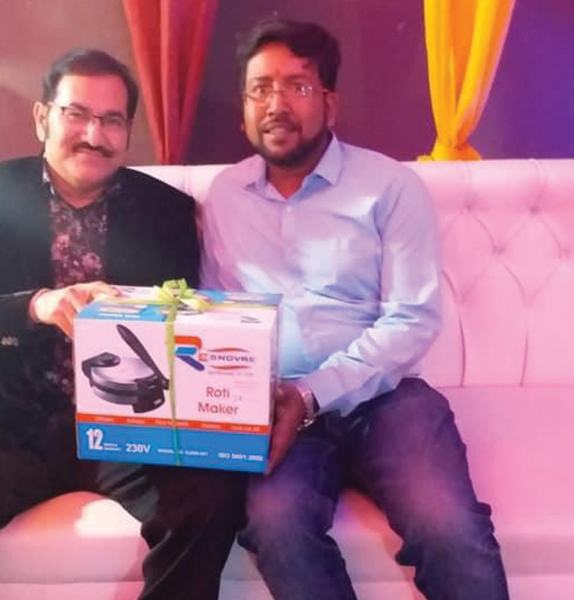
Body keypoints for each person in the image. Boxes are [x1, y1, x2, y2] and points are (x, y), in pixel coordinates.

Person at [0, 48, 245, 600]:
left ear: (127, 132)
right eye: (77, 114)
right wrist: (35, 307)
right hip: (12, 429)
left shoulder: (165, 209)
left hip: (128, 428)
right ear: (43, 117)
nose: (94, 134)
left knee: (213, 496)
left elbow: (181, 323)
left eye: (112, 120)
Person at [201, 17, 510, 600]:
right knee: (277, 528)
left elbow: (412, 320)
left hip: (387, 399)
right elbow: (218, 314)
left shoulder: (390, 186)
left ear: (330, 102)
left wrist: (312, 392)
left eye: (297, 85)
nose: (276, 105)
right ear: (243, 107)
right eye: (260, 88)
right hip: (277, 404)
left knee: (448, 527)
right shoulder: (225, 196)